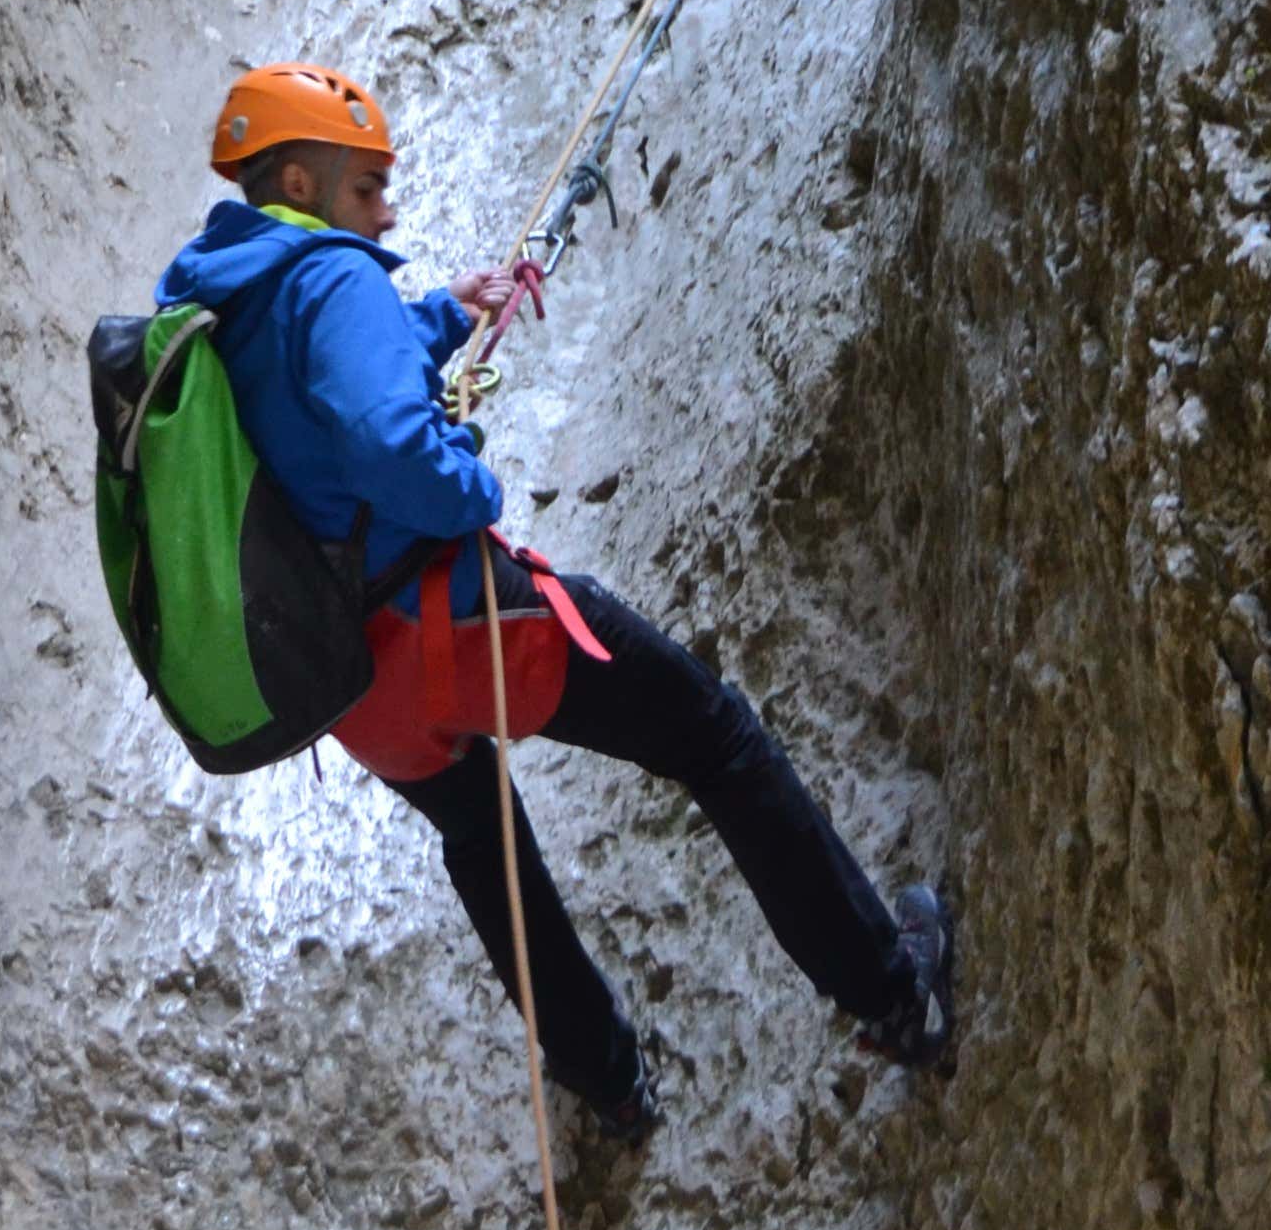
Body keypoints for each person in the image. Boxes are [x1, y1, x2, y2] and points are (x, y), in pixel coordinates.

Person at [156, 61, 957, 1143]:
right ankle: (893, 994)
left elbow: (308, 393)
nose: (385, 212)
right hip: (450, 627)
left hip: (346, 683)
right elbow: (388, 441)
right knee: (712, 737)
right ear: (301, 180)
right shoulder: (332, 278)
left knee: (480, 839)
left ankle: (605, 1078)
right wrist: (472, 482)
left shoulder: (218, 299)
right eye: (367, 187)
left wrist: (440, 316)